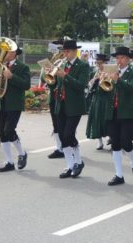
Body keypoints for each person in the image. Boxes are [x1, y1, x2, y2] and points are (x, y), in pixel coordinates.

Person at [47, 39, 89, 178]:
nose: (65, 54)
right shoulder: (62, 64)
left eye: (68, 51)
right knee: (62, 137)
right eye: (64, 51)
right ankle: (70, 165)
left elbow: (81, 85)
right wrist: (51, 79)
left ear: (74, 51)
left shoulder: (82, 65)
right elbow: (56, 85)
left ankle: (78, 162)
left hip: (75, 105)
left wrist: (65, 76)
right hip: (61, 104)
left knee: (68, 135)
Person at [0, 41, 31, 172]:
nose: (3, 53)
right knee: (2, 134)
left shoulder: (23, 67)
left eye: (6, 51)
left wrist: (12, 76)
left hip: (14, 104)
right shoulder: (0, 66)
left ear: (13, 53)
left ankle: (22, 153)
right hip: (1, 102)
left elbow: (26, 85)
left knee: (9, 130)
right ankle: (9, 161)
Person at [103, 46, 133, 186]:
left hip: (127, 113)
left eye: (121, 58)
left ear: (128, 59)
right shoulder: (111, 72)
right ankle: (119, 175)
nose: (119, 60)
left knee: (126, 142)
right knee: (115, 143)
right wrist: (101, 80)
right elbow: (105, 91)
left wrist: (118, 80)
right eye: (117, 58)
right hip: (111, 112)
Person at [86, 53, 111, 150]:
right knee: (96, 119)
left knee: (107, 119)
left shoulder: (109, 72)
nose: (98, 65)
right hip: (96, 98)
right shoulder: (94, 72)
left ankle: (111, 137)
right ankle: (99, 142)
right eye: (97, 63)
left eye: (100, 63)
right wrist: (93, 81)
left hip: (106, 98)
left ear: (105, 63)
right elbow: (89, 85)